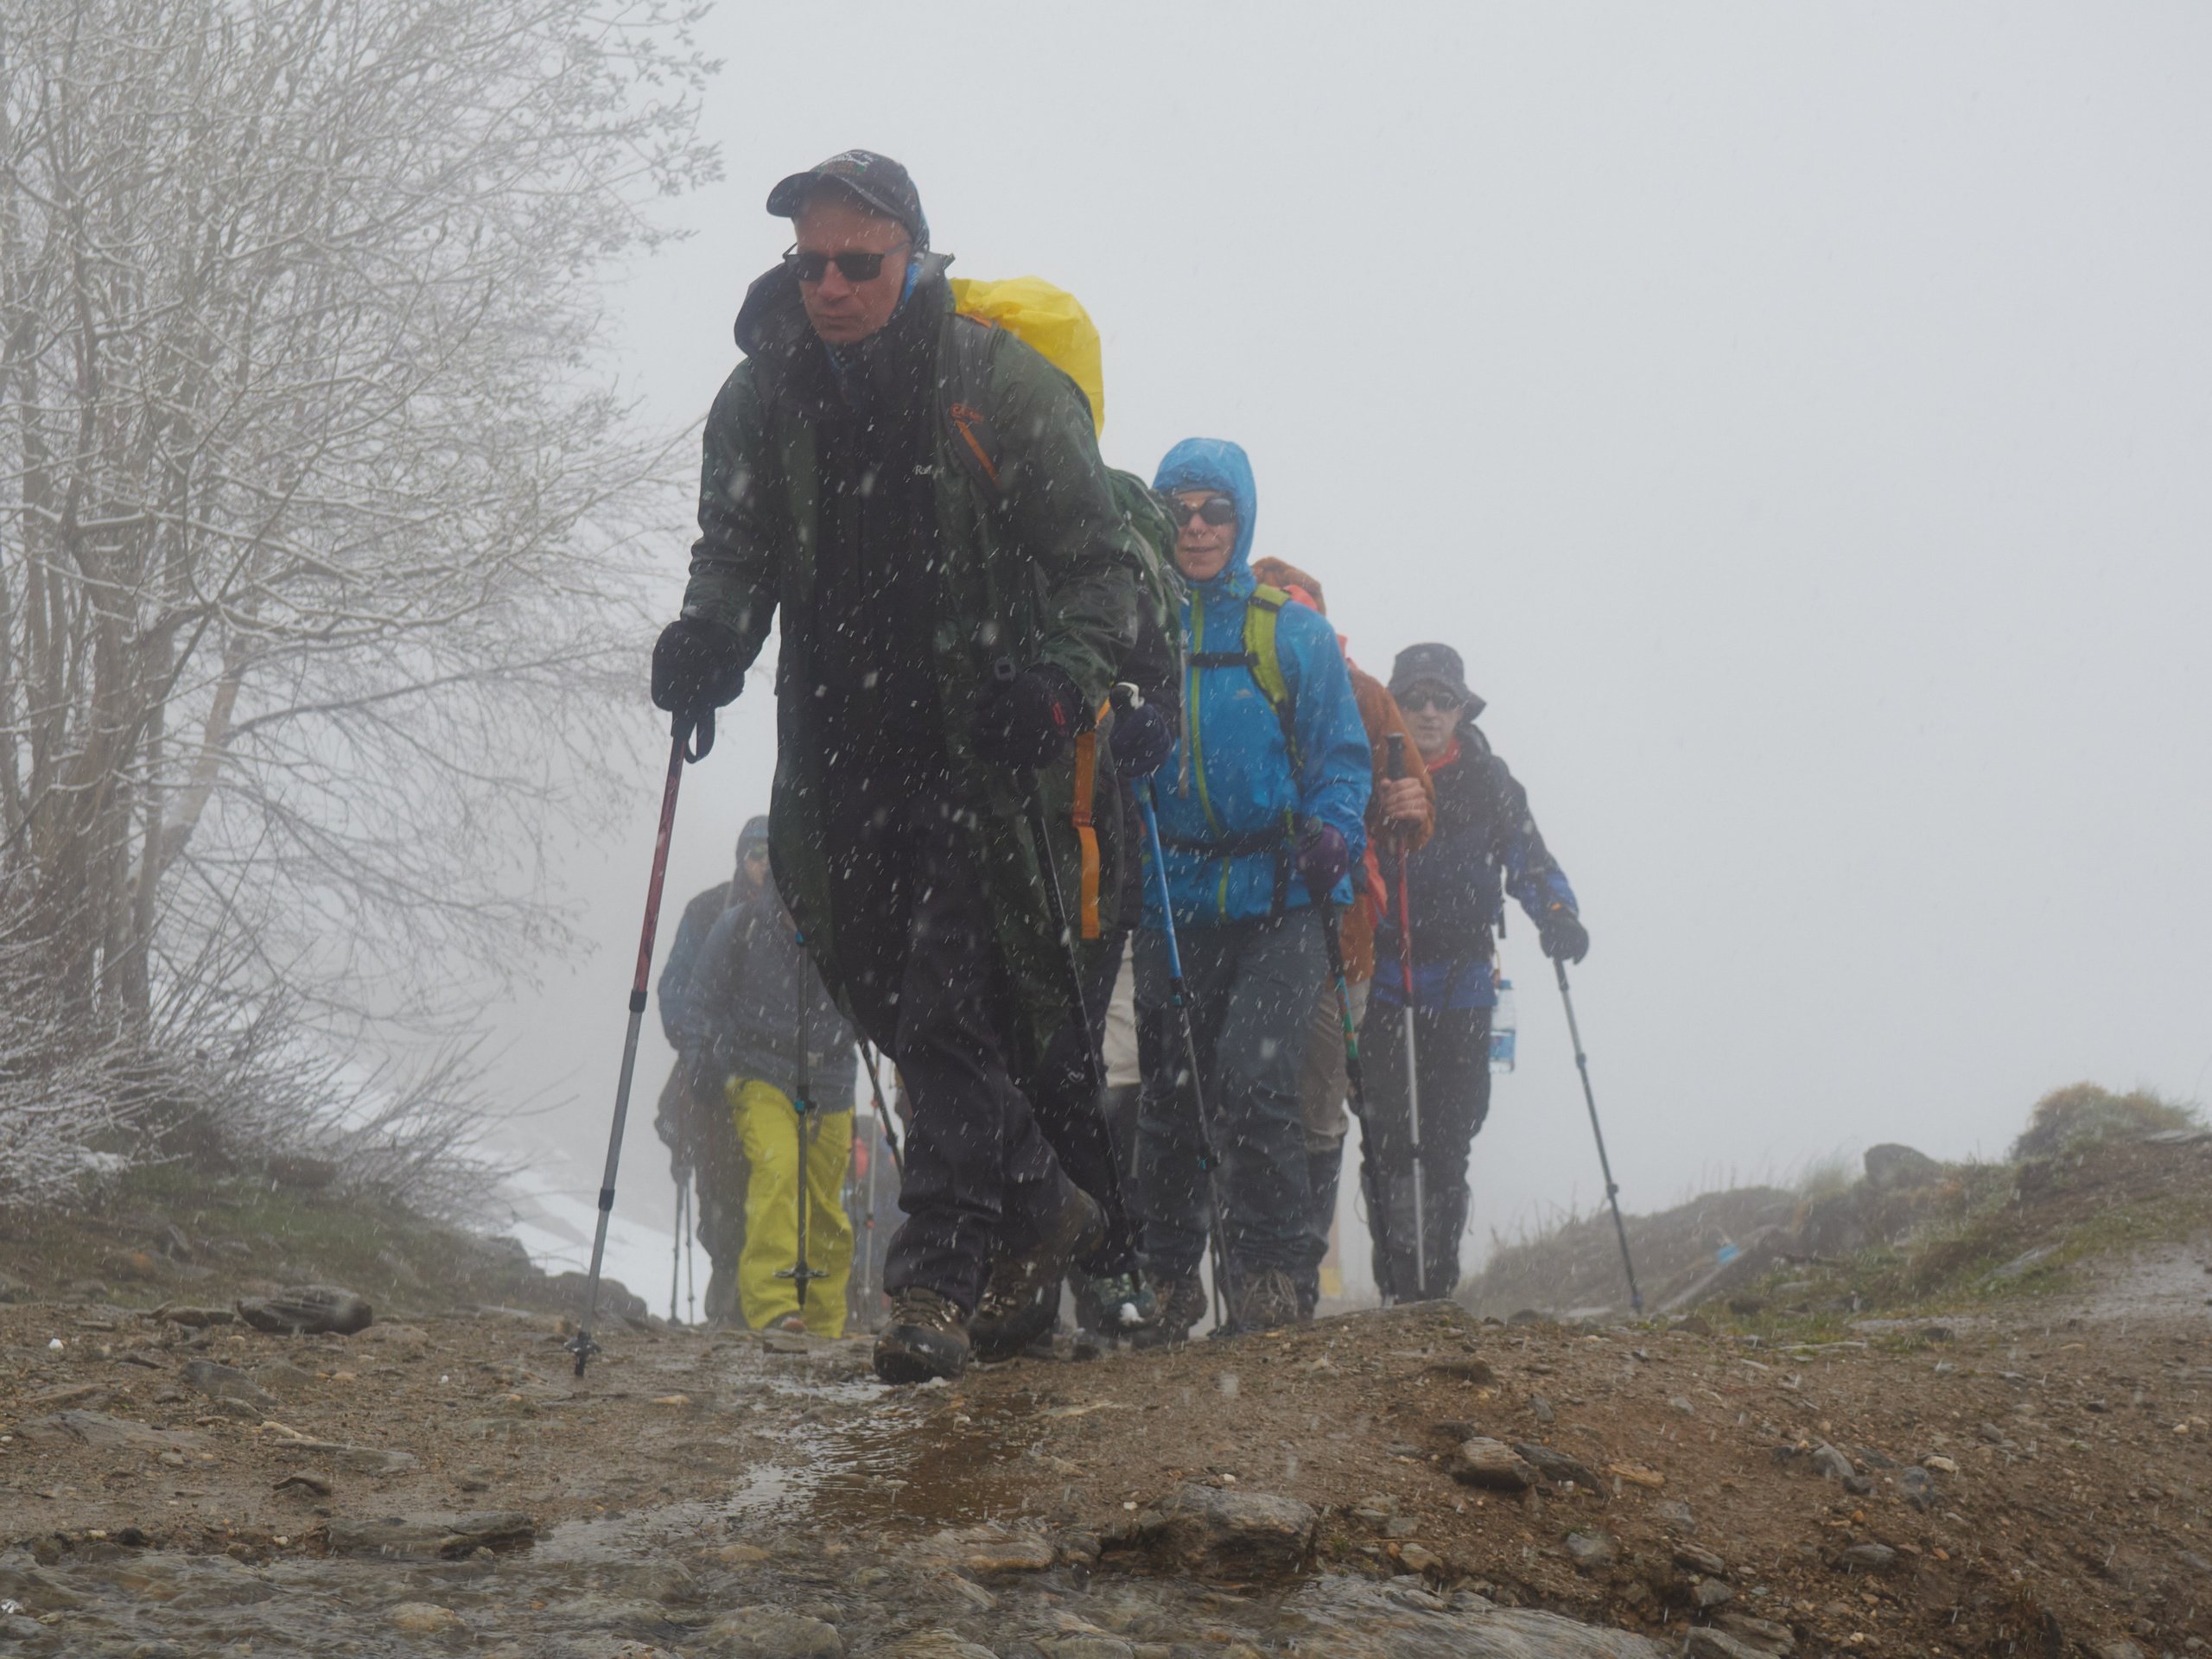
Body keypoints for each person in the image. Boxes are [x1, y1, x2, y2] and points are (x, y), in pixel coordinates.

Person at [647, 150, 1152, 1382]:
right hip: (835, 765)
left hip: (985, 760)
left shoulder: (1001, 388)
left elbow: (1100, 572)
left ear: (912, 254)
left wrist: (1059, 683)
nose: (828, 285)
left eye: (855, 263)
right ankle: (1044, 1207)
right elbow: (737, 550)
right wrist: (710, 640)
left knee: (944, 1001)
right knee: (887, 991)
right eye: (808, 263)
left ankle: (934, 1281)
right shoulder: (759, 399)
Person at [1133, 439, 1373, 1338]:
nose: (1195, 528)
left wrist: (1333, 838)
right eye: (1178, 510)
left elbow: (1342, 763)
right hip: (1171, 889)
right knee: (1169, 1088)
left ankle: (1271, 1274)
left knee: (1255, 1080)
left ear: (1243, 519)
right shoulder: (1136, 622)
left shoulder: (1291, 632)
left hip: (1280, 897)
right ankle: (1165, 1280)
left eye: (1214, 510)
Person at [1360, 642, 1588, 1303]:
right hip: (1381, 982)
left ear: (1462, 710)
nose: (1429, 712)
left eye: (1444, 700)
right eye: (1415, 699)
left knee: (1450, 1136)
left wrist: (1557, 914)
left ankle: (1435, 1284)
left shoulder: (1489, 780)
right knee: (1390, 1142)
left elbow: (1530, 858)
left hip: (1462, 986)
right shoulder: (1370, 770)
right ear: (1396, 705)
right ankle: (1402, 1283)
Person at [1249, 559, 1434, 1319]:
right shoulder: (1227, 673)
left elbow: (1416, 813)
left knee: (1311, 1099)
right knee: (1284, 1097)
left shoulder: (1362, 694)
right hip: (1266, 921)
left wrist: (1410, 806)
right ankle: (1277, 1273)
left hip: (1338, 927)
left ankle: (1286, 1273)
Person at [693, 857, 860, 1337]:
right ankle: (773, 1307)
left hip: (830, 1080)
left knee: (826, 1202)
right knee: (778, 1169)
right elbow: (703, 1000)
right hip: (758, 1072)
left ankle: (825, 1320)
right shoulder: (741, 926)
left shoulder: (844, 930)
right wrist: (705, 1057)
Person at [652, 820, 768, 1325]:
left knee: (769, 1187)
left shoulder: (798, 918)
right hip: (713, 1077)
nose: (765, 863)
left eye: (773, 853)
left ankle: (756, 1303)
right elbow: (675, 987)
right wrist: (699, 1045)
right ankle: (730, 1299)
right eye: (756, 853)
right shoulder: (705, 911)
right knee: (720, 1193)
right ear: (741, 858)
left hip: (774, 1074)